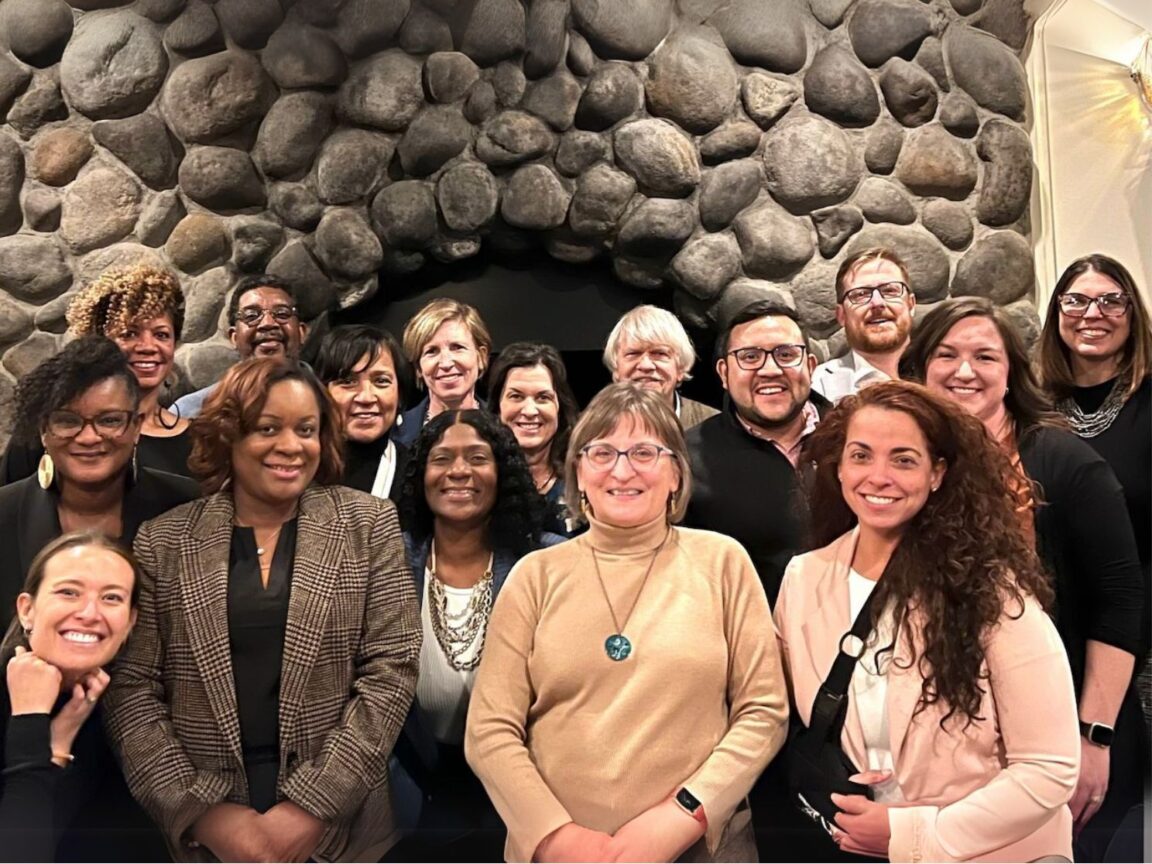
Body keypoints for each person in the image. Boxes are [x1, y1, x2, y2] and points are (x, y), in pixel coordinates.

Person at [102, 357, 421, 863]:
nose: (291, 447)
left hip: (343, 830)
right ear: (229, 435)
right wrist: (200, 812)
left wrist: (314, 808)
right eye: (267, 428)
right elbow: (132, 687)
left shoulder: (368, 523)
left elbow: (391, 670)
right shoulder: (163, 540)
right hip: (206, 833)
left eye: (307, 430)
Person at [466, 383, 788, 863]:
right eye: (602, 452)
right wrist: (557, 837)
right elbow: (489, 730)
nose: (621, 469)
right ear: (578, 470)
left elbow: (763, 711)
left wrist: (682, 816)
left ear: (677, 474)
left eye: (644, 452)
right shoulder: (535, 576)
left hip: (697, 848)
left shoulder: (723, 562)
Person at [775, 380, 1079, 862]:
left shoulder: (991, 591)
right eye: (861, 455)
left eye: (903, 459)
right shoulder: (804, 578)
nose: (878, 476)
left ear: (937, 473)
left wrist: (916, 833)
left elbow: (1049, 767)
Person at [903, 296, 1146, 862]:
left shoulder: (1066, 463)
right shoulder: (911, 466)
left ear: (1011, 372)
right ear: (920, 368)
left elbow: (1120, 602)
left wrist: (1094, 738)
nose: (965, 371)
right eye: (947, 354)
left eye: (985, 356)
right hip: (962, 751)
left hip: (1071, 731)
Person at [388, 410, 563, 861]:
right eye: (442, 458)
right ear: (421, 475)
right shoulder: (388, 558)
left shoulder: (548, 561)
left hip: (527, 794)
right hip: (414, 798)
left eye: (477, 458)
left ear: (502, 472)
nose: (459, 471)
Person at [0, 337, 199, 632]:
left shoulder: (188, 510)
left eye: (109, 420)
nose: (89, 437)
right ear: (44, 430)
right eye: (68, 421)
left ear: (136, 426)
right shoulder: (4, 512)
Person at [0, 532, 168, 862]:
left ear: (130, 622)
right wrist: (31, 721)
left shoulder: (128, 708)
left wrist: (60, 741)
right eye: (68, 592)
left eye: (112, 598)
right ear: (27, 610)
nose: (90, 613)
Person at [684, 301, 830, 605]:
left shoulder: (856, 441)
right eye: (750, 357)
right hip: (747, 644)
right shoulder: (685, 458)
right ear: (724, 373)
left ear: (811, 366)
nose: (770, 369)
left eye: (786, 354)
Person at [2, 263, 193, 481]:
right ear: (99, 341)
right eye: (129, 333)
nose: (147, 346)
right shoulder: (53, 428)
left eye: (161, 335)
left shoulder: (199, 440)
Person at [171, 275, 309, 418]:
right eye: (251, 316)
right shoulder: (191, 412)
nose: (268, 323)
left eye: (281, 313)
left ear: (301, 332)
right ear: (234, 337)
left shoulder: (330, 403)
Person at [488, 342, 581, 537]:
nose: (530, 411)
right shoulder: (481, 480)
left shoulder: (583, 477)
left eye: (542, 397)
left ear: (559, 407)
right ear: (498, 407)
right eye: (516, 396)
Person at [315, 324, 413, 501]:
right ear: (323, 391)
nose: (366, 397)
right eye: (348, 381)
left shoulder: (417, 474)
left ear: (400, 393)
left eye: (381, 381)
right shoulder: (300, 465)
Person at [812, 248, 916, 403]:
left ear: (911, 305)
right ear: (842, 316)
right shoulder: (819, 386)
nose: (877, 303)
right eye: (861, 294)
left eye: (889, 290)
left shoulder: (943, 375)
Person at [394, 298, 492, 447]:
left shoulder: (504, 426)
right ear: (418, 367)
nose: (445, 363)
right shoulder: (395, 434)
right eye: (431, 351)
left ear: (481, 357)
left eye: (457, 347)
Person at [603, 305, 719, 429]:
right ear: (616, 368)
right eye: (633, 354)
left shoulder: (714, 427)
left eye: (659, 353)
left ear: (680, 367)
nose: (646, 365)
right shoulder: (590, 429)